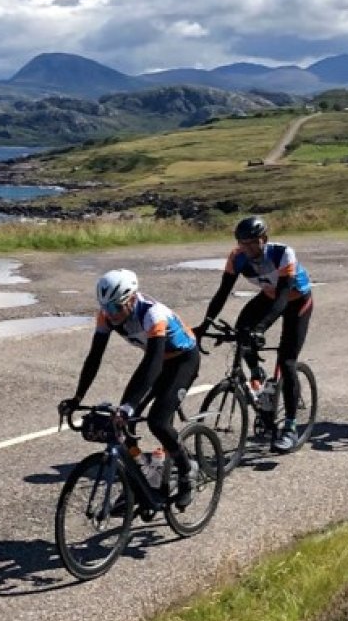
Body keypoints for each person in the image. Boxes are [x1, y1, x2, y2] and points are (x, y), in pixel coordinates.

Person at [60, 269, 200, 509]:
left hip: (181, 361)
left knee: (158, 422)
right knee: (121, 424)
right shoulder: (106, 315)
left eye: (115, 308)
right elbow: (94, 357)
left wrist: (129, 405)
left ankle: (188, 470)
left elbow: (153, 364)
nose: (110, 315)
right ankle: (144, 480)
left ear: (132, 299)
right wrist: (77, 396)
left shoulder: (153, 315)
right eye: (106, 308)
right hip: (155, 361)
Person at [194, 216, 313, 453]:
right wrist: (204, 325)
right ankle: (259, 381)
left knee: (287, 362)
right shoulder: (237, 257)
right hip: (269, 297)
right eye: (242, 243)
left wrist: (261, 329)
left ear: (264, 240)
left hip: (296, 301)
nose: (246, 248)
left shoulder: (282, 254)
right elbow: (222, 292)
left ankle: (289, 427)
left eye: (252, 243)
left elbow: (282, 298)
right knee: (241, 333)